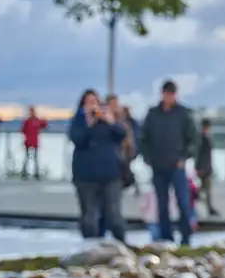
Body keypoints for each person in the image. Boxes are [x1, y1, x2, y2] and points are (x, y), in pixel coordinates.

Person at [139, 80, 198, 245]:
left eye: (172, 94)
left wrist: (184, 157)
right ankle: (166, 236)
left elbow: (193, 139)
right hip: (158, 165)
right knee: (162, 203)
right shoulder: (153, 114)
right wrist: (147, 158)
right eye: (167, 94)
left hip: (177, 165)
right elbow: (144, 138)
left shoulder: (184, 114)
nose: (169, 97)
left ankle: (186, 237)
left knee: (183, 202)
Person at [69, 89, 128, 243]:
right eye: (88, 103)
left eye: (94, 102)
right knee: (90, 216)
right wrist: (89, 124)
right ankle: (90, 246)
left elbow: (121, 135)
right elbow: (77, 139)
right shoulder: (78, 121)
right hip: (86, 176)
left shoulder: (107, 120)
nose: (92, 106)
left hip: (110, 174)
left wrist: (110, 121)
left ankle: (122, 244)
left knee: (114, 214)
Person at [195, 118, 220, 217]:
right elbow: (199, 154)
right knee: (201, 190)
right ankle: (197, 207)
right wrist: (199, 168)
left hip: (206, 167)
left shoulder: (205, 137)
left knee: (206, 189)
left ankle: (209, 208)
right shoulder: (201, 138)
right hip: (203, 168)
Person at [20, 106, 48, 179]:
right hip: (28, 142)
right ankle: (25, 173)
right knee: (27, 158)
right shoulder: (28, 121)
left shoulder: (36, 120)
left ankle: (36, 174)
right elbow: (23, 130)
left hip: (34, 142)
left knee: (35, 158)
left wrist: (44, 119)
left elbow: (44, 125)